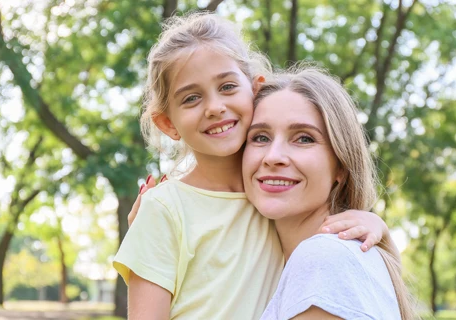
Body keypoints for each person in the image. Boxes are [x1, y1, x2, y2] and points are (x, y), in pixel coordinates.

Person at [113, 13, 390, 319]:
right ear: (168, 123)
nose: (215, 107)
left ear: (254, 90)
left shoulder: (270, 200)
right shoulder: (168, 207)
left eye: (228, 87)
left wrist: (377, 227)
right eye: (191, 98)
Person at [243, 67, 415, 320]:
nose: (273, 157)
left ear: (341, 167)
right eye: (260, 137)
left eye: (303, 139)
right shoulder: (278, 268)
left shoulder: (323, 259)